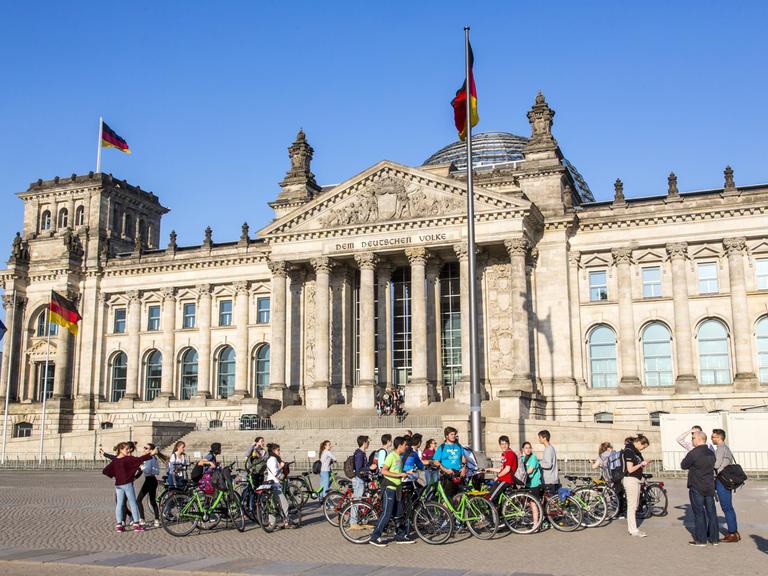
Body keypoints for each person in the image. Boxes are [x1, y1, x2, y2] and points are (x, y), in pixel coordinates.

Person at [102, 441, 158, 532]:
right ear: (120, 450)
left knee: (119, 504)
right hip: (127, 484)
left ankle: (119, 525)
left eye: (129, 449)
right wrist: (151, 454)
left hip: (118, 485)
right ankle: (136, 524)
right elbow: (140, 459)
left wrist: (116, 475)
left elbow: (106, 470)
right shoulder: (127, 459)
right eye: (126, 449)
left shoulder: (116, 459)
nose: (128, 451)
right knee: (133, 503)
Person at [369, 436, 414, 546]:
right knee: (387, 513)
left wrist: (407, 472)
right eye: (405, 445)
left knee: (399, 513)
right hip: (389, 488)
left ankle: (400, 536)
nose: (406, 447)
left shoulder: (398, 456)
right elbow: (384, 471)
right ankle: (375, 537)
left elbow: (396, 470)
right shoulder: (391, 456)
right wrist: (399, 474)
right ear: (400, 446)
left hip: (397, 489)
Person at [681, 430, 718, 546]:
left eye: (693, 438)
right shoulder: (711, 452)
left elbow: (683, 465)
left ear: (699, 439)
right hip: (709, 485)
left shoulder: (694, 453)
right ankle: (714, 538)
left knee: (699, 513)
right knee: (711, 512)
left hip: (697, 485)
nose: (691, 441)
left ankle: (701, 540)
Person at [711, 428, 739, 542]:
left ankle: (732, 533)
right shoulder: (726, 448)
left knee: (726, 507)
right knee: (728, 507)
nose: (712, 438)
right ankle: (734, 532)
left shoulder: (720, 449)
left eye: (713, 437)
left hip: (722, 481)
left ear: (719, 437)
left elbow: (716, 465)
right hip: (726, 480)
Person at [622, 434, 650, 538]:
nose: (644, 448)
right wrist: (641, 464)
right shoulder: (629, 451)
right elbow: (630, 469)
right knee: (632, 505)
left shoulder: (635, 451)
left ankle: (633, 528)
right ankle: (633, 529)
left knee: (634, 505)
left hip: (635, 479)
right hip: (631, 479)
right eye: (644, 446)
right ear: (639, 443)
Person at [431, 427, 466, 502]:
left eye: (454, 434)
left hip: (459, 474)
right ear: (447, 436)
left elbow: (463, 457)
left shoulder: (459, 446)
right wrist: (445, 470)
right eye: (451, 434)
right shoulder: (442, 447)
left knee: (460, 497)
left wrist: (463, 467)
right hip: (448, 475)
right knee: (448, 498)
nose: (453, 436)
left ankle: (457, 512)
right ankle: (447, 513)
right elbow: (436, 461)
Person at [136, 443, 165, 528]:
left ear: (150, 450)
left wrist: (141, 466)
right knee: (152, 501)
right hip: (152, 480)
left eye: (146, 448)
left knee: (138, 500)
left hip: (150, 480)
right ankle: (156, 519)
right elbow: (156, 471)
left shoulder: (150, 458)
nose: (144, 449)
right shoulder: (153, 458)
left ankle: (142, 519)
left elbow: (147, 470)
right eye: (144, 447)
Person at [265, 443, 293, 529]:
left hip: (271, 484)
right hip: (275, 484)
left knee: (273, 505)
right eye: (278, 450)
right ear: (273, 451)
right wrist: (281, 466)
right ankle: (286, 523)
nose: (279, 452)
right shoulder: (273, 459)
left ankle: (272, 523)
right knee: (284, 504)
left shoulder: (271, 458)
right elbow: (275, 472)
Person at [349, 435, 374, 530]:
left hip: (361, 479)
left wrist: (370, 466)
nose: (369, 443)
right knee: (356, 500)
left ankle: (359, 520)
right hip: (359, 479)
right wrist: (369, 468)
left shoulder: (362, 453)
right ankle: (353, 522)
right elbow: (359, 469)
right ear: (364, 443)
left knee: (359, 500)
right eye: (368, 442)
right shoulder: (359, 454)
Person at [485, 435, 517, 504]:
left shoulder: (510, 454)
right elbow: (502, 469)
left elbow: (507, 469)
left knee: (490, 497)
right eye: (502, 444)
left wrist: (498, 476)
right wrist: (490, 469)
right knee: (494, 496)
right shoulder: (504, 454)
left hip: (506, 480)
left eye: (506, 444)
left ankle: (491, 513)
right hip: (504, 478)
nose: (504, 446)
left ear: (509, 444)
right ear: (500, 445)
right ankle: (497, 512)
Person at [521, 441, 543, 529]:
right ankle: (536, 517)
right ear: (523, 449)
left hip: (534, 484)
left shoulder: (533, 457)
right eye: (526, 448)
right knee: (526, 501)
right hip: (527, 484)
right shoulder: (523, 458)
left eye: (529, 447)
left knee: (533, 503)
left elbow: (530, 470)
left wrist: (520, 476)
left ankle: (536, 524)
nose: (528, 449)